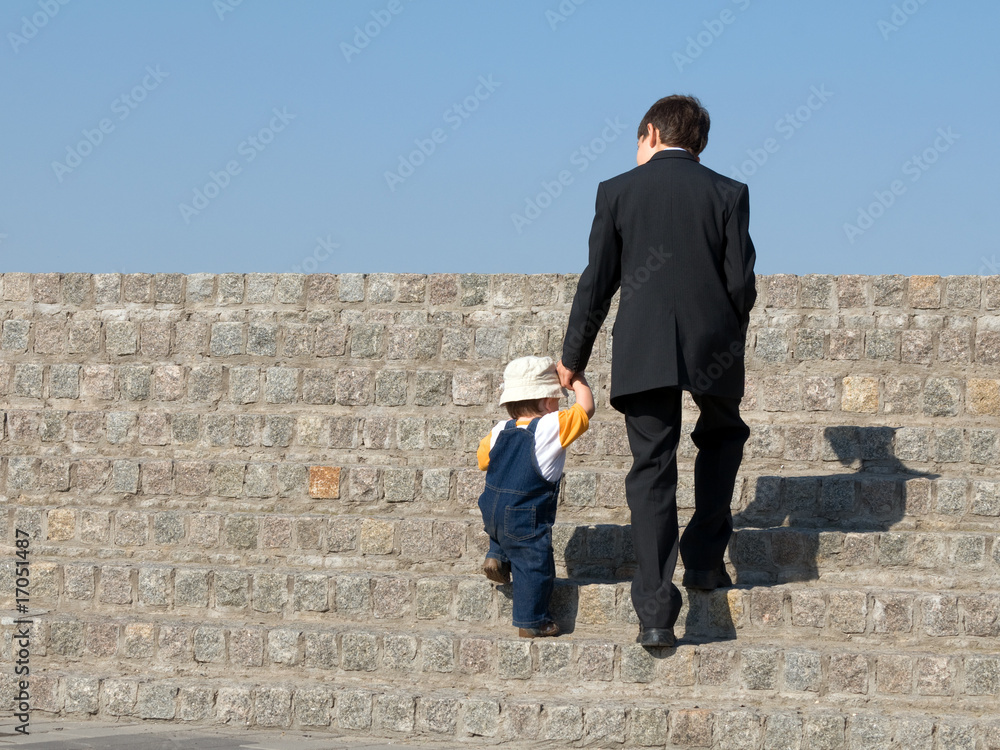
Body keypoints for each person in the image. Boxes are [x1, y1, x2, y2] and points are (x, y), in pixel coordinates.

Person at [558, 95, 757, 648]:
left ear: (650, 132)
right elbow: (741, 284)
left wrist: (573, 357)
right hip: (713, 345)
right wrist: (726, 330)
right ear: (699, 144)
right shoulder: (729, 192)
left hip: (643, 348)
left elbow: (597, 283)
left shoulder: (616, 191)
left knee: (652, 467)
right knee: (722, 437)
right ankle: (705, 561)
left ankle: (655, 614)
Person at [476, 355, 595, 638]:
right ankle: (532, 621)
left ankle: (497, 554)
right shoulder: (552, 425)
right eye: (557, 399)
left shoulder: (499, 429)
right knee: (534, 565)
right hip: (524, 516)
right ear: (546, 402)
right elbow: (586, 408)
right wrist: (577, 378)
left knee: (503, 524)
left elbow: (482, 461)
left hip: (491, 510)